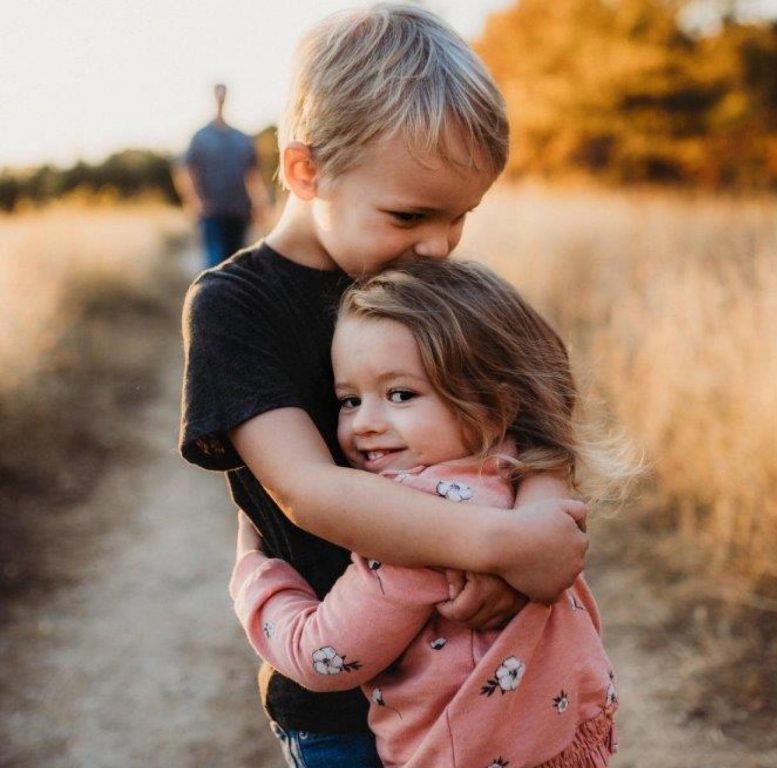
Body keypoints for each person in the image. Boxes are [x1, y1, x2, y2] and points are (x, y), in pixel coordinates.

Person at [180, 5, 588, 766]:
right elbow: (311, 491)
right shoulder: (237, 308)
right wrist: (500, 544)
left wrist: (537, 529)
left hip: (492, 674)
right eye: (409, 214)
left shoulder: (430, 283)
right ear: (306, 172)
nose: (437, 245)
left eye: (460, 217)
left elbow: (540, 410)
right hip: (342, 702)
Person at [230, 259, 626, 768]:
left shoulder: (413, 532)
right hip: (564, 743)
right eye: (348, 400)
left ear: (492, 404)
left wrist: (252, 571)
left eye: (400, 394)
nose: (366, 424)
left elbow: (321, 657)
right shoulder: (518, 478)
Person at [173, 83, 270, 269]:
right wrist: (195, 201)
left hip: (240, 211)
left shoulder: (241, 138)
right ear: (213, 97)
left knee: (236, 265)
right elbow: (185, 171)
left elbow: (253, 175)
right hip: (212, 213)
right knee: (215, 265)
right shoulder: (200, 137)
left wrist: (261, 204)